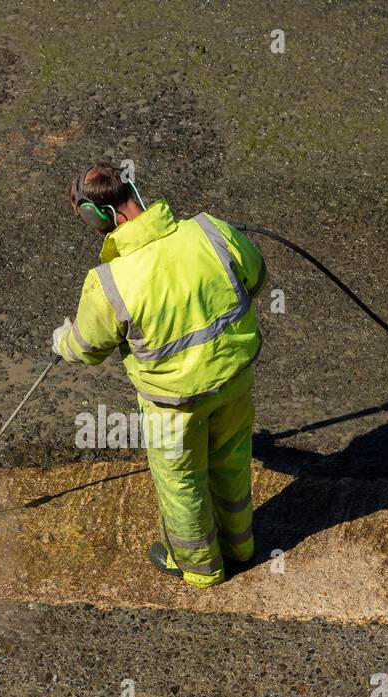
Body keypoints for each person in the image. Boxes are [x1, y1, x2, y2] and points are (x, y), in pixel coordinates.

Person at [52, 163, 267, 588]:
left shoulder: (109, 282)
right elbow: (257, 278)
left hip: (173, 404)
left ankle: (201, 568)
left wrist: (61, 341)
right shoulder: (209, 231)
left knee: (182, 481)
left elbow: (88, 347)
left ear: (98, 217)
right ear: (133, 189)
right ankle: (241, 547)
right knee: (231, 460)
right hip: (235, 379)